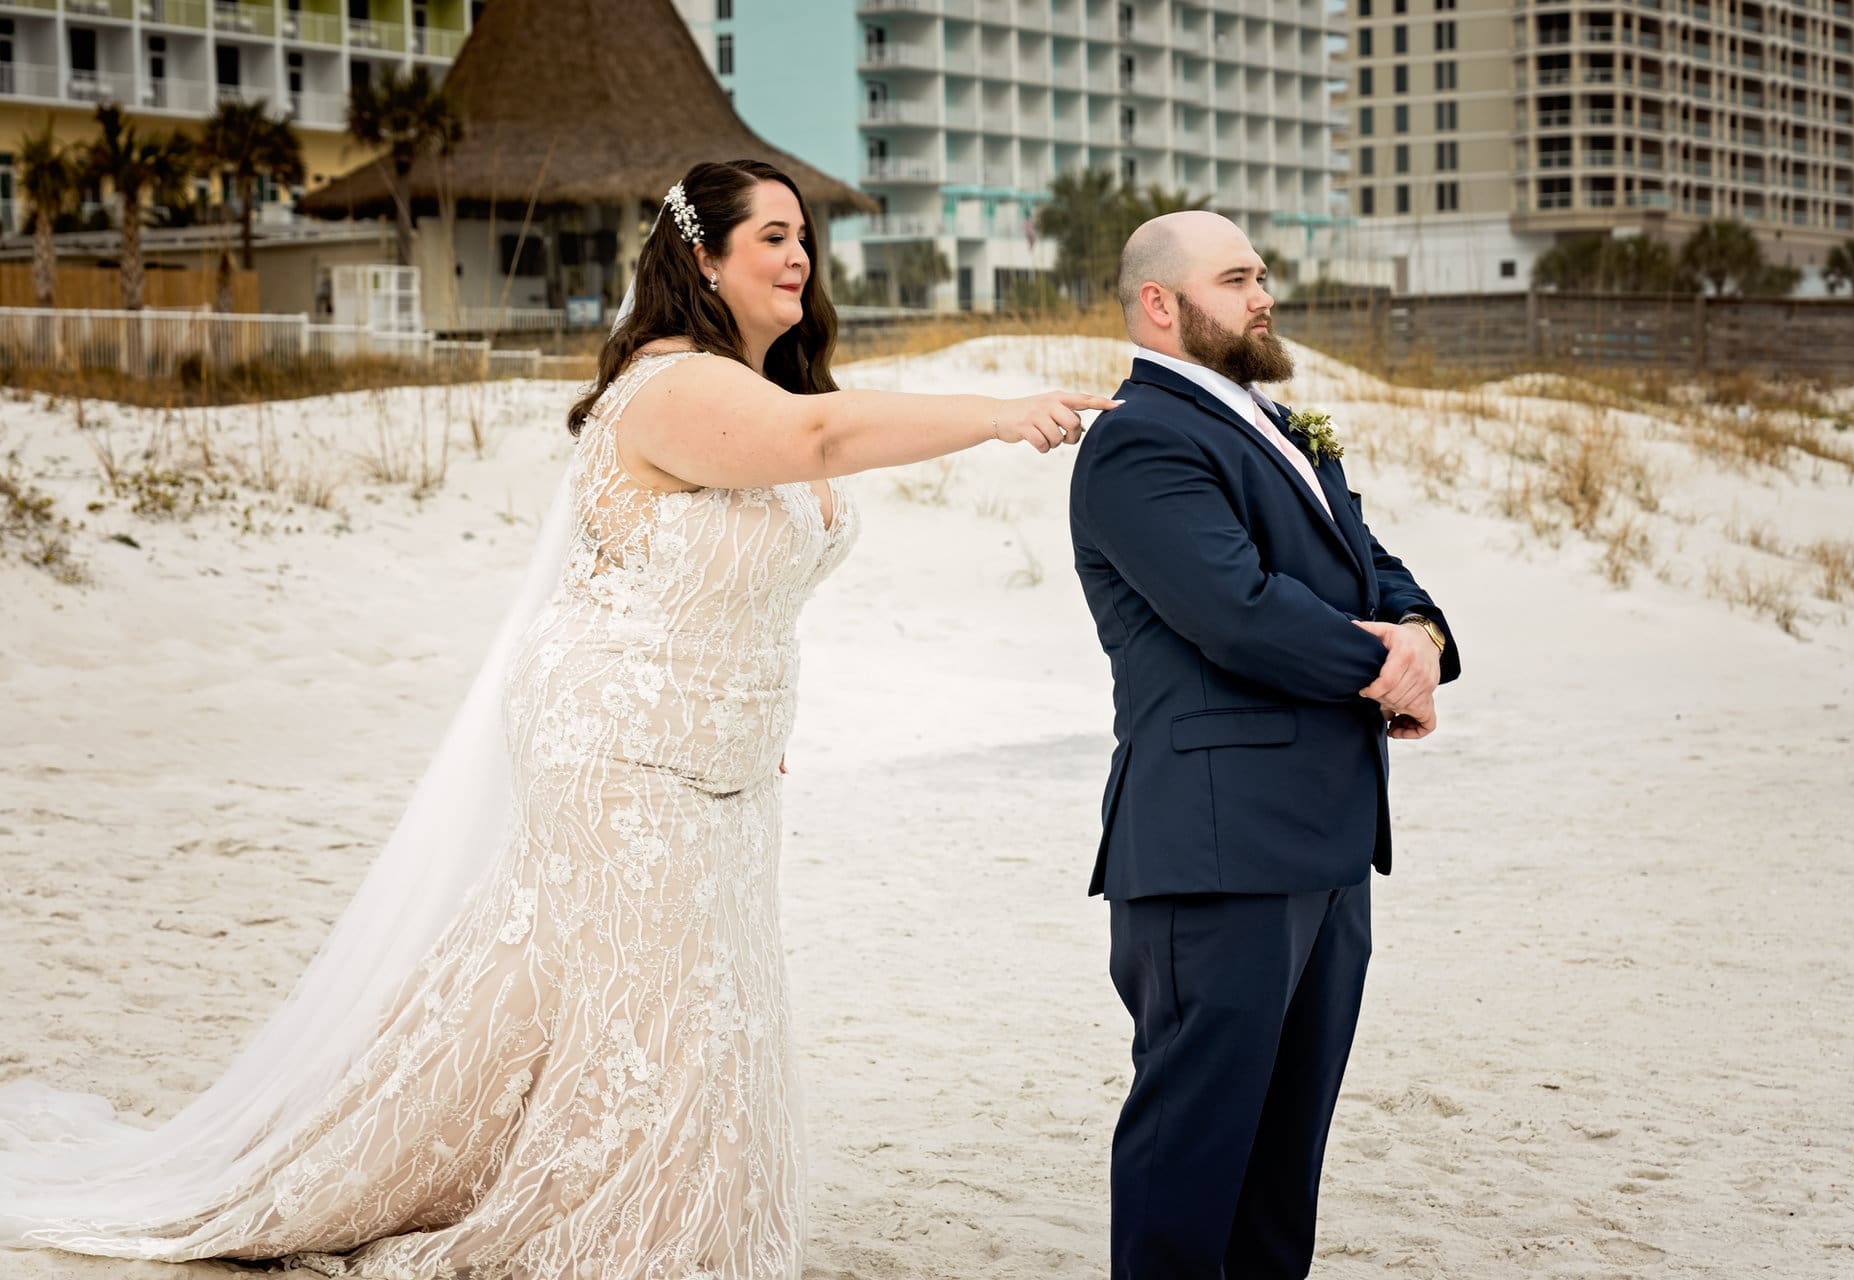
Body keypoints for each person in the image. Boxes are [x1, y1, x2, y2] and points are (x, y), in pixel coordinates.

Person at [0, 158, 1115, 1280]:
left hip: (722, 746)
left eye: (804, 239)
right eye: (770, 236)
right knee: (675, 1008)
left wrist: (754, 708)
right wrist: (995, 413)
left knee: (663, 991)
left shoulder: (768, 393)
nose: (797, 258)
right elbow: (820, 444)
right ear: (702, 258)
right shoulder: (673, 384)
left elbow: (753, 568)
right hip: (617, 737)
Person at [1069, 210, 1463, 1279]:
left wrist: (1422, 640)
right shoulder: (1140, 439)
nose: (1264, 293)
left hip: (1328, 847)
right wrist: (1381, 668)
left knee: (1281, 1168)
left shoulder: (1270, 422)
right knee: (1190, 1159)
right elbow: (1236, 610)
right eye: (1237, 277)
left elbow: (1373, 565)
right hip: (1215, 850)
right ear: (1162, 302)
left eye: (1261, 274)